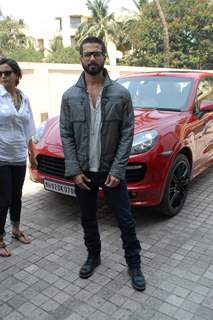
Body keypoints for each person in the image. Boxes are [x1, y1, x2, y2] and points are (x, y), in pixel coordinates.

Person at [60, 37, 146, 291]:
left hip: (111, 171)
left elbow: (127, 133)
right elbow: (66, 134)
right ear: (80, 59)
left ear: (104, 56)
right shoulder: (69, 96)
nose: (92, 59)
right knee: (88, 219)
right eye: (87, 55)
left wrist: (118, 170)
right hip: (84, 173)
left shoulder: (121, 94)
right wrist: (74, 170)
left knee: (126, 220)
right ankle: (93, 256)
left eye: (97, 54)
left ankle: (134, 264)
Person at [0, 58, 37, 257]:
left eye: (7, 72)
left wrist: (32, 153)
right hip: (1, 157)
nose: (3, 76)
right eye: (0, 73)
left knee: (16, 197)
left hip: (18, 156)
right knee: (3, 199)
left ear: (17, 75)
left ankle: (15, 230)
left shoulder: (24, 98)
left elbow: (28, 127)